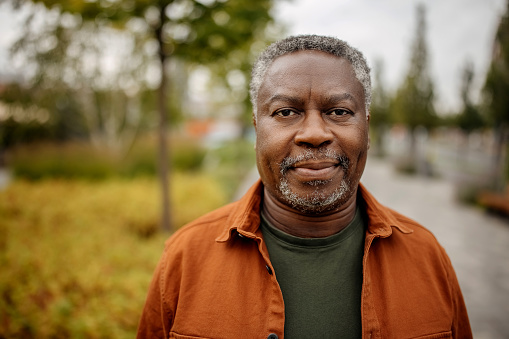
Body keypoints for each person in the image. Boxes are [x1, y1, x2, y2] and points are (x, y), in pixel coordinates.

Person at [137, 35, 472, 339]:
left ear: (367, 128)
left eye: (339, 111)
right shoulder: (184, 259)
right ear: (257, 127)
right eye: (286, 112)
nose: (314, 133)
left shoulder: (428, 258)